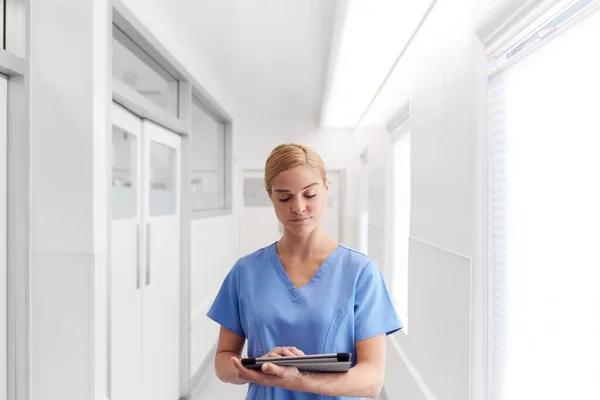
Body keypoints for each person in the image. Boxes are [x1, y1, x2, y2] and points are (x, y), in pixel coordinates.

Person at [207, 143, 402, 399]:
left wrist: (299, 380)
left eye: (309, 195)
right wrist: (251, 369)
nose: (298, 207)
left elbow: (372, 380)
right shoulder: (246, 272)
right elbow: (223, 362)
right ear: (270, 195)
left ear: (326, 187)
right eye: (284, 197)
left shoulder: (360, 273)